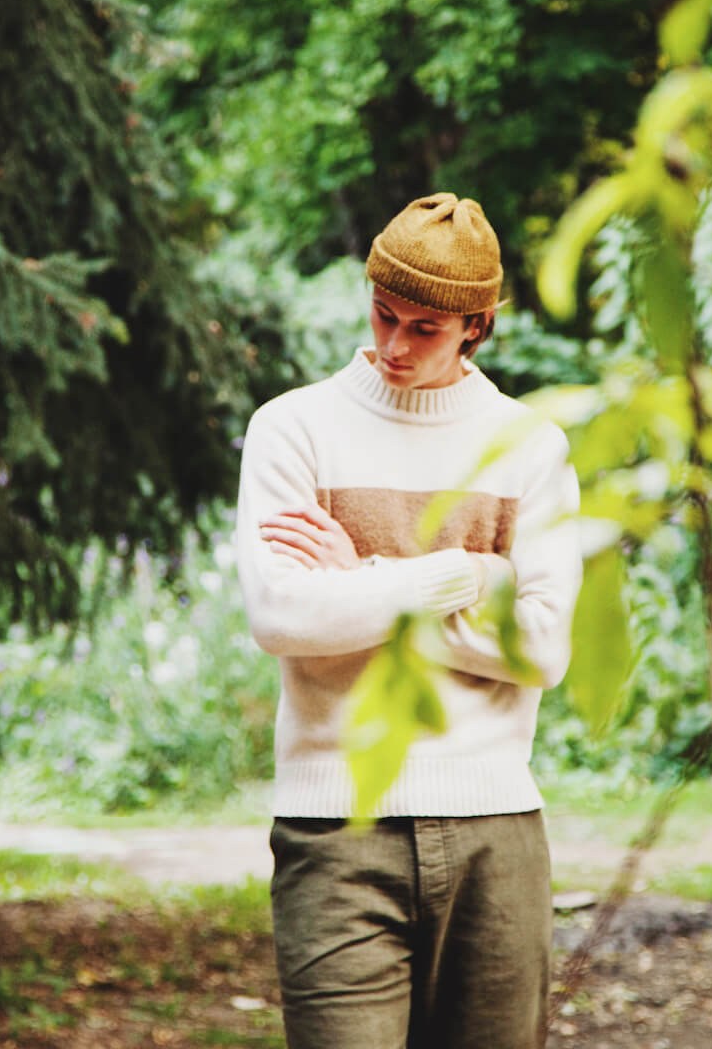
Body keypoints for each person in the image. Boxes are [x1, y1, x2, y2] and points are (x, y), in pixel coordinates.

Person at [235, 192, 583, 1049]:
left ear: (477, 323)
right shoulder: (293, 430)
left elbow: (541, 648)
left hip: (497, 830)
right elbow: (281, 614)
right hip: (333, 830)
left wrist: (365, 578)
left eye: (423, 327)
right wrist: (468, 578)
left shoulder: (528, 447)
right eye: (384, 314)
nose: (393, 344)